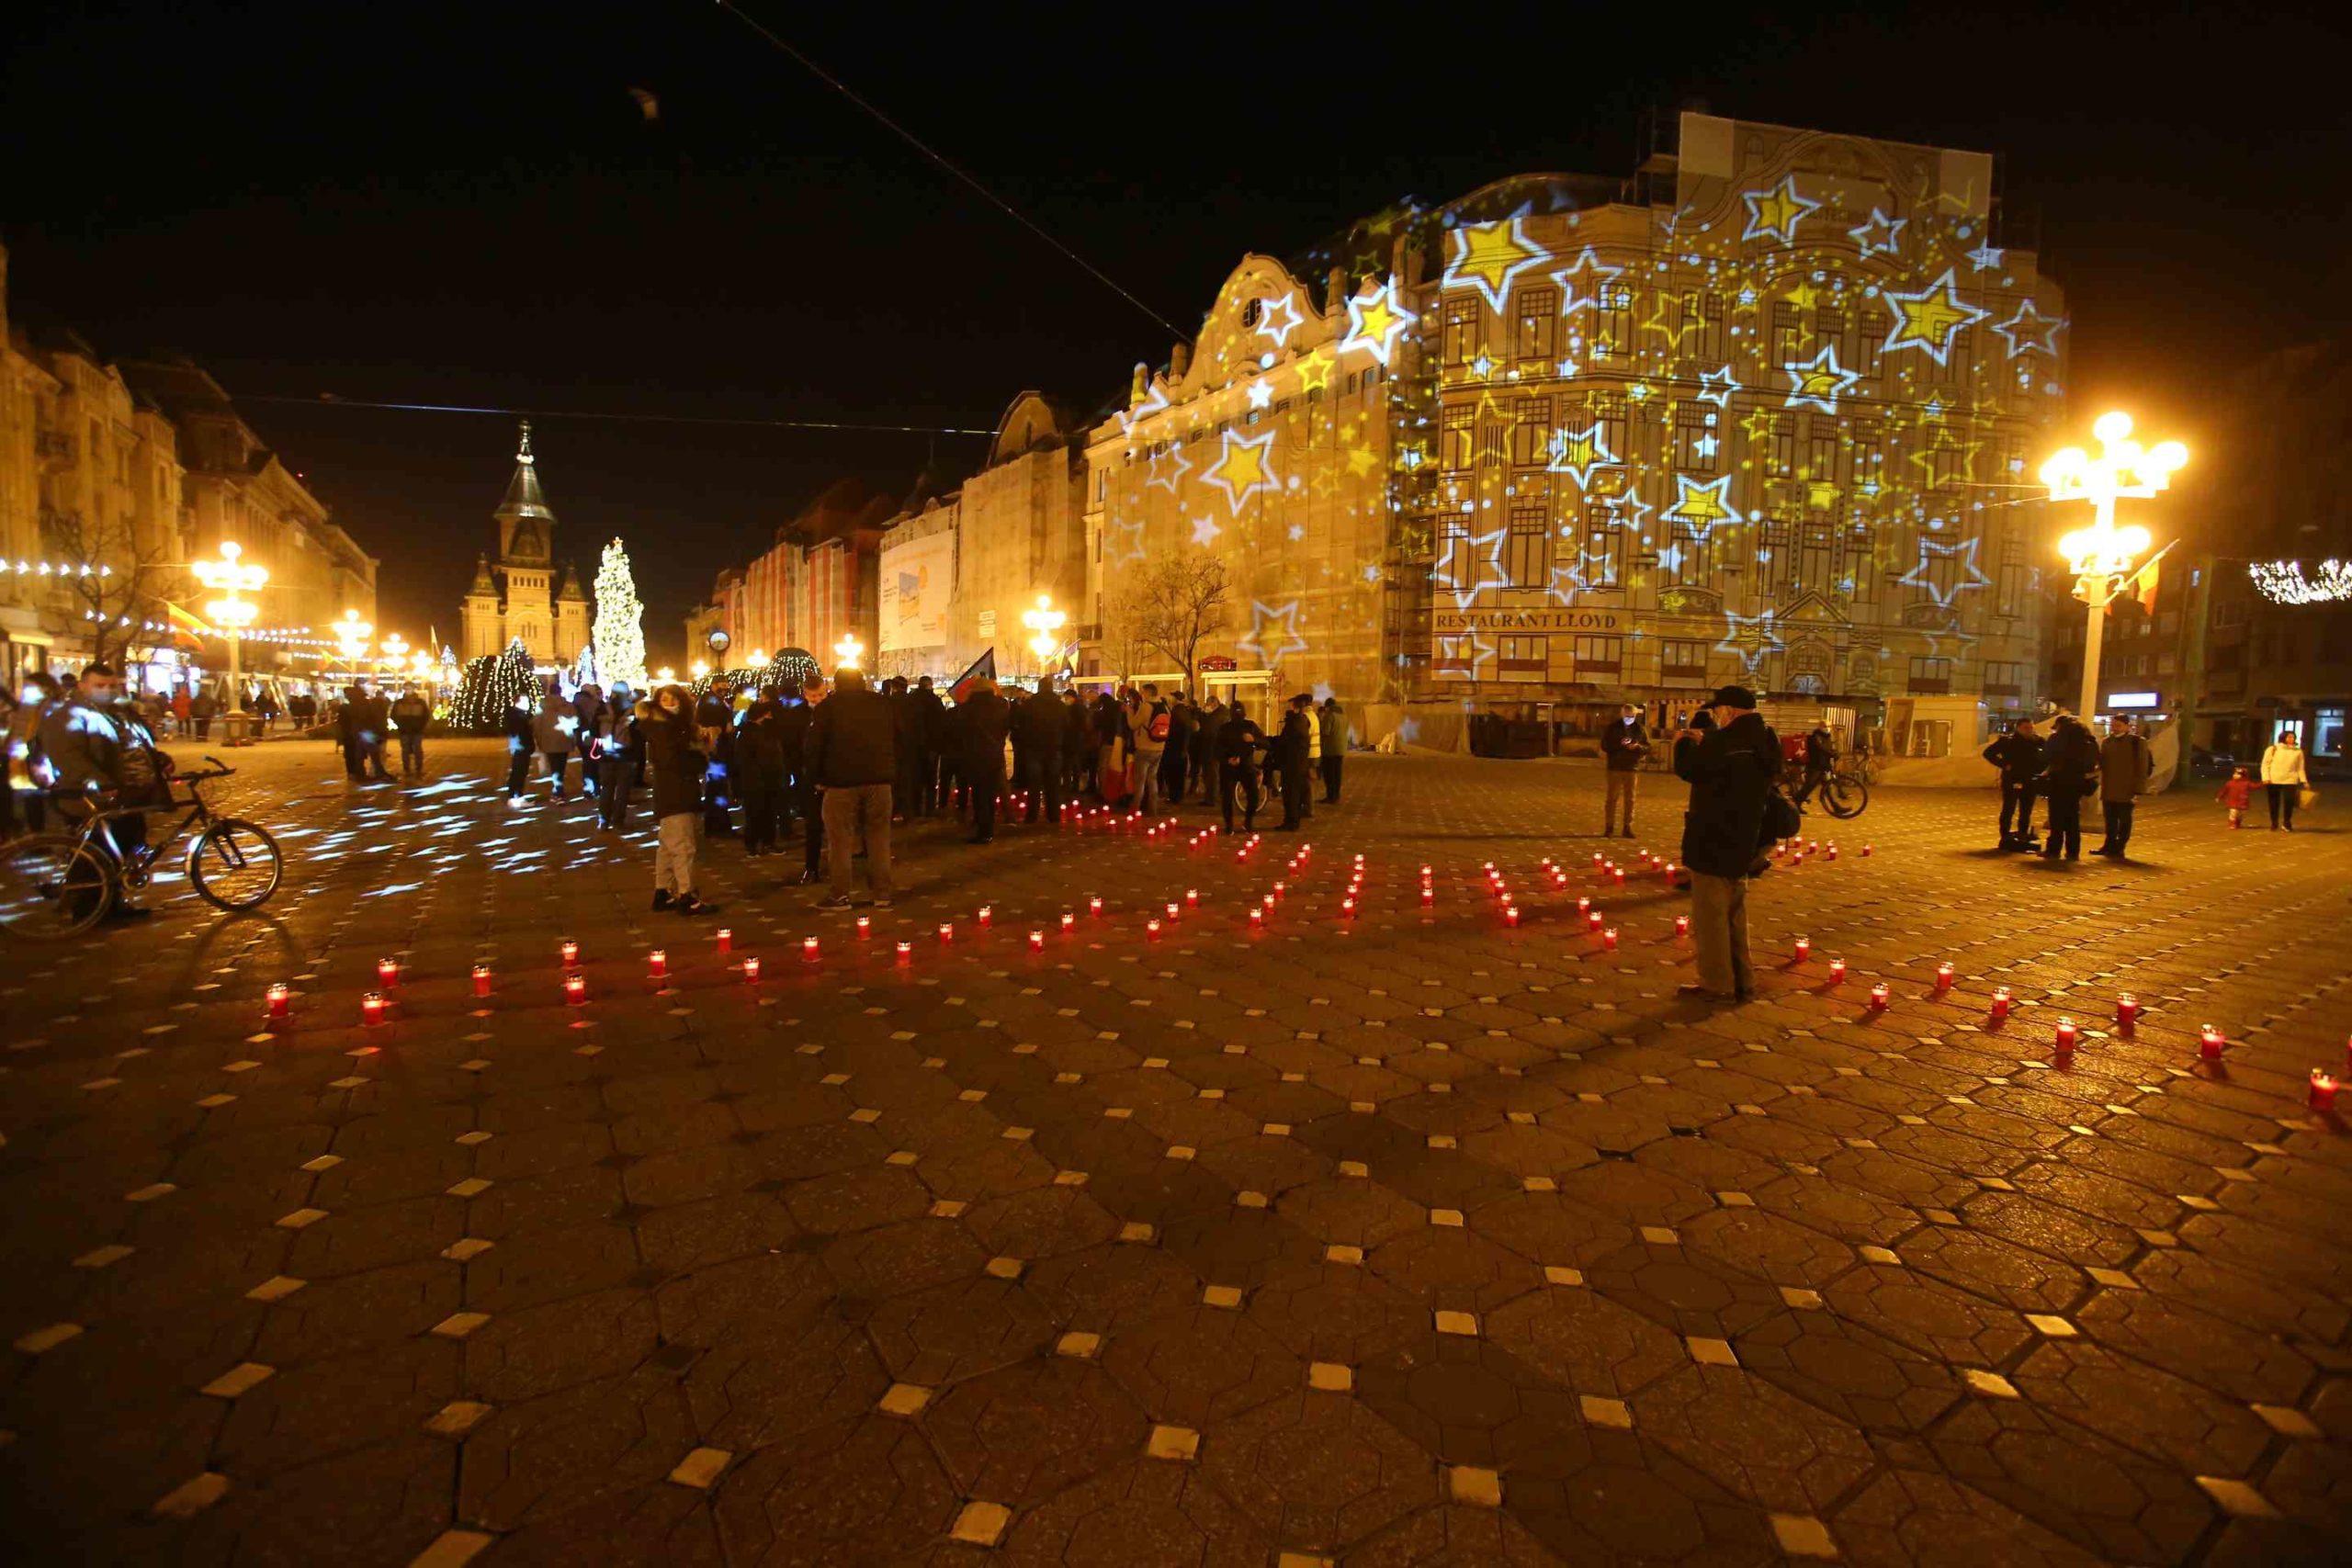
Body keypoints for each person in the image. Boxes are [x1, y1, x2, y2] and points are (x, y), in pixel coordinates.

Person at [1671, 685, 1777, 1002]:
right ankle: (1743, 979)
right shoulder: (1766, 739)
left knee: (1710, 918)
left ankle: (1717, 983)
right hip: (1746, 837)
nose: (1717, 716)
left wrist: (1683, 744)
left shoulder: (1724, 741)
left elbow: (1690, 769)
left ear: (1729, 711)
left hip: (1713, 838)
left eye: (1719, 710)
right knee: (1734, 915)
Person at [39, 662, 164, 920]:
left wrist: (158, 759)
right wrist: (100, 784)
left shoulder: (117, 712)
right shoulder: (68, 716)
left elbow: (134, 744)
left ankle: (110, 902)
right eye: (99, 685)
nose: (107, 690)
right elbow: (70, 759)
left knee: (123, 845)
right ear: (83, 686)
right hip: (92, 797)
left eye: (111, 686)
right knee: (95, 854)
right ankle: (89, 910)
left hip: (126, 794)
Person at [806, 666, 898, 909]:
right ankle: (882, 893)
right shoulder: (883, 704)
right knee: (879, 837)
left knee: (840, 840)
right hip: (879, 780)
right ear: (862, 681)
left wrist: (816, 777)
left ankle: (840, 894)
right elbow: (898, 738)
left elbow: (814, 746)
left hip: (840, 783)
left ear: (836, 684)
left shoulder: (827, 707)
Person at [637, 684, 717, 914]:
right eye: (665, 699)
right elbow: (675, 761)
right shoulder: (665, 729)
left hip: (672, 791)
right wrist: (701, 756)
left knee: (667, 845)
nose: (671, 704)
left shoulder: (667, 726)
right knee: (683, 847)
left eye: (674, 699)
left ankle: (663, 891)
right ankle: (686, 895)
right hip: (676, 792)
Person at [2035, 714, 2100, 862]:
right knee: (2073, 816)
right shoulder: (2089, 741)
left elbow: (2045, 757)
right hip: (2077, 782)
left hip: (2058, 781)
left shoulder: (2056, 739)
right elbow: (2093, 762)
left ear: (2060, 726)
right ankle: (2073, 851)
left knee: (2056, 817)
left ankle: (2054, 849)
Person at [956, 675, 1012, 842]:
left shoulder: (968, 708)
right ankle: (988, 827)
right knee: (991, 794)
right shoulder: (1002, 706)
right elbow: (1006, 728)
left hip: (975, 756)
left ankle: (983, 830)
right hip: (995, 754)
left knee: (980, 794)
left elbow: (960, 731)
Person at [781, 673, 825, 882]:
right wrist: (798, 773)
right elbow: (790, 748)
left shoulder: (833, 710)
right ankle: (812, 867)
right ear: (805, 694)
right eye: (813, 696)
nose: (818, 699)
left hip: (834, 775)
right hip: (808, 777)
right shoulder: (795, 716)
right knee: (813, 824)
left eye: (821, 695)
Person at [735, 694, 789, 857]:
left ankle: (765, 843)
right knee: (757, 814)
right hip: (758, 780)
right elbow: (749, 759)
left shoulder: (763, 731)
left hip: (766, 780)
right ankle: (755, 844)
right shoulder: (751, 733)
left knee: (766, 813)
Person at [2093, 716, 2152, 858]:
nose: (2115, 728)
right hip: (2109, 787)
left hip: (2127, 788)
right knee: (2110, 819)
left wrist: (2139, 788)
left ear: (2127, 726)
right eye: (2113, 725)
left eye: (2118, 725)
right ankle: (2109, 844)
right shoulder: (2107, 741)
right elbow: (2102, 763)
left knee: (2124, 819)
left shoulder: (2137, 742)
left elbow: (2142, 766)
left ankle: (2119, 846)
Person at [1982, 719, 2043, 851]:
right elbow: (1988, 753)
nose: (2029, 730)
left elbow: (2046, 756)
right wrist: (2004, 764)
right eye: (2026, 728)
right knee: (2009, 808)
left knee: (2026, 810)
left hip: (2030, 779)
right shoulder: (2008, 741)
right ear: (2018, 728)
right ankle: (2005, 835)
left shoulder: (2037, 741)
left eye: (2031, 727)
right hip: (2012, 779)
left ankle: (2022, 834)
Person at [1013, 680, 1064, 826]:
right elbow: (1067, 724)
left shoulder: (1030, 704)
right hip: (1053, 747)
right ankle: (1054, 815)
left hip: (1034, 748)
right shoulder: (1059, 705)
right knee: (1053, 784)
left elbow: (1021, 723)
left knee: (1034, 784)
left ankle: (1032, 815)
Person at [1216, 701, 1265, 832]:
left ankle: (1248, 822)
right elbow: (1217, 748)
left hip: (1246, 765)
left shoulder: (1250, 726)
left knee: (1253, 795)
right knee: (1227, 797)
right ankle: (1229, 825)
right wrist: (1227, 759)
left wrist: (1253, 740)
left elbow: (1264, 742)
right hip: (1229, 767)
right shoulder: (1225, 728)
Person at [695, 680, 737, 836]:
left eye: (726, 684)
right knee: (717, 788)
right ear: (713, 686)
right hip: (716, 752)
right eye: (721, 684)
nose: (725, 688)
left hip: (718, 751)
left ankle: (716, 825)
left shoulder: (716, 700)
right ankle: (719, 826)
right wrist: (726, 726)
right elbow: (714, 724)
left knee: (717, 788)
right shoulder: (710, 701)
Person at [1600, 703, 1647, 837]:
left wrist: (1637, 747)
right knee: (1612, 798)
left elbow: (1648, 747)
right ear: (1622, 714)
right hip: (1615, 767)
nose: (1629, 719)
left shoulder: (1639, 729)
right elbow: (1605, 746)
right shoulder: (1613, 728)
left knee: (1630, 799)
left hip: (1631, 767)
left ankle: (1627, 826)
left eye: (1632, 716)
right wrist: (1620, 744)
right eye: (1627, 716)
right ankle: (1609, 826)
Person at [594, 683, 637, 831]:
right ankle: (618, 821)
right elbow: (637, 735)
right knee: (623, 789)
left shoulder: (603, 708)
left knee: (606, 788)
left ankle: (603, 821)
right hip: (626, 754)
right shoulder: (631, 709)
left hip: (606, 753)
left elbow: (593, 730)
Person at [1275, 694, 1315, 829]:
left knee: (1291, 794)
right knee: (1295, 793)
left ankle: (1291, 822)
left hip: (1293, 764)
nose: (1287, 708)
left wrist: (1270, 742)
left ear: (1296, 708)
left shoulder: (1295, 723)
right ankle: (1293, 820)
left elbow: (1285, 742)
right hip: (1299, 763)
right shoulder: (1302, 721)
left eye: (1290, 706)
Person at [910, 675, 946, 817]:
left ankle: (916, 808)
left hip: (915, 746)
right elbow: (941, 723)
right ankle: (930, 809)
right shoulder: (935, 701)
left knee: (916, 779)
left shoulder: (912, 700)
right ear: (930, 685)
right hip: (932, 746)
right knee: (931, 780)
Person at [532, 683, 577, 800]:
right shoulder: (568, 705)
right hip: (564, 739)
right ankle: (559, 787)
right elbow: (576, 722)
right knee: (561, 765)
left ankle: (558, 789)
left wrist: (538, 738)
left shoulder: (542, 705)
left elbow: (536, 724)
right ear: (560, 692)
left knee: (553, 765)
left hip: (548, 740)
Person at [2260, 729, 2309, 829]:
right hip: (2273, 779)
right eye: (2289, 737)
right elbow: (2265, 764)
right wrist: (2266, 777)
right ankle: (2274, 822)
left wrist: (2304, 781)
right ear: (2283, 737)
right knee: (2274, 801)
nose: (2292, 739)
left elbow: (2300, 768)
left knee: (2289, 801)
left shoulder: (2298, 751)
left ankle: (2287, 822)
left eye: (2293, 737)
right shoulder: (2272, 749)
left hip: (2291, 779)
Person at [1131, 684, 1169, 815]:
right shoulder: (1165, 707)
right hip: (1159, 747)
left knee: (1140, 781)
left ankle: (1135, 807)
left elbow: (1133, 724)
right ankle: (1153, 808)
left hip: (1144, 748)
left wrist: (1129, 711)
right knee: (1152, 779)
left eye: (1143, 692)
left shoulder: (1146, 706)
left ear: (1147, 693)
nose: (1142, 694)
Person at [390, 684, 431, 779]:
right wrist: (400, 724)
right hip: (404, 730)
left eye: (409, 688)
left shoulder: (420, 702)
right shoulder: (399, 702)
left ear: (413, 689)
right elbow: (393, 715)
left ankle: (418, 769)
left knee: (417, 750)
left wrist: (421, 726)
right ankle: (407, 769)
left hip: (417, 730)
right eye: (406, 689)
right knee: (405, 750)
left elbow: (426, 715)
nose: (407, 690)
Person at [1792, 719, 1837, 808]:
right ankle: (1795, 804)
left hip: (1823, 766)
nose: (1827, 728)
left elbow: (1828, 749)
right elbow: (1821, 748)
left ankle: (1836, 807)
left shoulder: (1827, 737)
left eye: (1829, 726)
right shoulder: (1815, 737)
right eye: (1825, 726)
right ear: (1820, 727)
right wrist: (1832, 754)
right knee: (1808, 787)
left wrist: (1834, 753)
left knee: (1827, 787)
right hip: (1815, 766)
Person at [503, 691, 536, 803]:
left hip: (521, 746)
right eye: (526, 702)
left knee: (520, 772)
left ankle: (516, 796)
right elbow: (521, 733)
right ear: (518, 703)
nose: (528, 704)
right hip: (521, 747)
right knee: (519, 772)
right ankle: (516, 797)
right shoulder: (518, 716)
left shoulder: (519, 715)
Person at [1317, 696, 1347, 805]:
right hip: (1341, 749)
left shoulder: (1329, 716)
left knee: (1329, 775)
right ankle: (1336, 795)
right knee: (1337, 774)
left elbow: (1325, 732)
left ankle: (1330, 796)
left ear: (1327, 707)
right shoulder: (1343, 716)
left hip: (1330, 749)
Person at [2215, 764, 2257, 829]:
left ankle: (2237, 823)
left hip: (2243, 802)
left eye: (2237, 774)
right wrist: (2219, 797)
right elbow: (2224, 790)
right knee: (2233, 813)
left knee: (2241, 814)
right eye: (2234, 774)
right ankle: (2232, 824)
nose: (2235, 775)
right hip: (2233, 802)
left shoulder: (2247, 783)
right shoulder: (2230, 783)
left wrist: (2263, 783)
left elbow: (2255, 786)